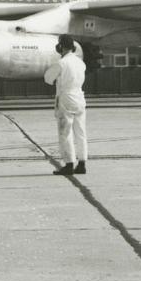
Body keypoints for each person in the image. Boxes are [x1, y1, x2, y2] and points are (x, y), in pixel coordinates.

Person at [44, 33, 87, 175]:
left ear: (61, 46)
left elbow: (48, 78)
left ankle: (69, 164)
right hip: (79, 98)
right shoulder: (80, 62)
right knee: (80, 132)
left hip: (66, 98)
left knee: (65, 133)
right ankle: (82, 163)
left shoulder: (61, 63)